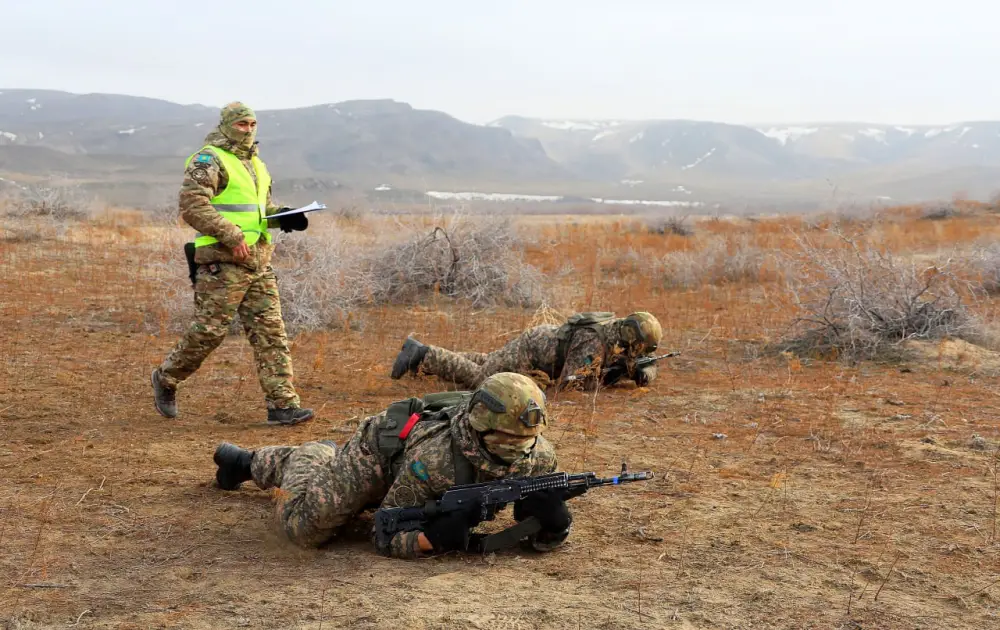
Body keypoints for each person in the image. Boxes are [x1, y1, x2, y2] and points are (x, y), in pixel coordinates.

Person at [211, 372, 572, 559]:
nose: (518, 452)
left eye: (525, 442)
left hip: (417, 473)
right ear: (481, 428)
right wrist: (429, 540)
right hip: (377, 458)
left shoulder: (540, 455)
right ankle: (302, 456)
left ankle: (319, 461)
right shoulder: (435, 460)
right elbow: (383, 531)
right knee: (304, 530)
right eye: (507, 442)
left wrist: (551, 526)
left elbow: (535, 523)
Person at [150, 102, 313, 426]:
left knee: (271, 334)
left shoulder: (256, 164)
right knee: (209, 332)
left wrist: (286, 217)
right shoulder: (208, 159)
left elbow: (260, 210)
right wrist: (230, 234)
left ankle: (282, 404)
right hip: (223, 262)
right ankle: (166, 378)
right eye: (241, 124)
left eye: (252, 123)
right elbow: (192, 206)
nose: (248, 129)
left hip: (257, 261)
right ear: (227, 125)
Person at [390, 311, 663, 392]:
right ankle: (424, 353)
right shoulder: (595, 341)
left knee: (489, 361)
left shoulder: (616, 333)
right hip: (532, 351)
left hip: (538, 347)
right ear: (632, 337)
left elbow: (639, 362)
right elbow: (570, 384)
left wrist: (639, 371)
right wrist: (608, 379)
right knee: (484, 382)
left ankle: (424, 366)